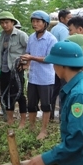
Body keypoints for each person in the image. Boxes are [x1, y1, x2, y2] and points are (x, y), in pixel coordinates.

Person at [22, 10, 58, 139]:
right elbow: (28, 55)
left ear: (45, 23)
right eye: (33, 21)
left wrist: (31, 57)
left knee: (45, 105)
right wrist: (24, 63)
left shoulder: (51, 39)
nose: (35, 24)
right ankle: (31, 127)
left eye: (38, 21)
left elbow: (50, 59)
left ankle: (43, 130)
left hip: (46, 78)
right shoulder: (31, 37)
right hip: (33, 77)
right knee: (31, 104)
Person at [0, 11, 29, 127]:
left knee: (19, 95)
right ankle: (10, 120)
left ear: (12, 23)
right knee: (6, 95)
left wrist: (25, 64)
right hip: (4, 69)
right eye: (2, 23)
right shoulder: (2, 35)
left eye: (7, 22)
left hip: (16, 69)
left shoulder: (21, 35)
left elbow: (29, 50)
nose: (4, 25)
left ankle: (23, 121)